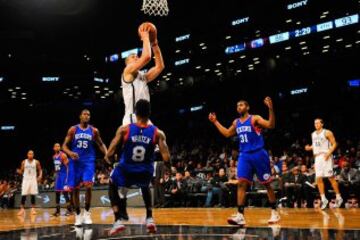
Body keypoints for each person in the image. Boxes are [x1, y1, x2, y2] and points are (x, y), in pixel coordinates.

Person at [209, 97, 280, 226]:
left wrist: (270, 109)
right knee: (241, 183)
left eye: (241, 105)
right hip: (244, 155)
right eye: (237, 105)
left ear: (247, 107)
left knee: (267, 184)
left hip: (259, 154)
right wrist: (215, 122)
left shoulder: (255, 119)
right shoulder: (236, 122)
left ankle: (274, 211)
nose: (239, 107)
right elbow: (226, 133)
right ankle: (240, 215)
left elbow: (271, 125)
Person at [105, 99, 170, 235]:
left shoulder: (125, 130)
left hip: (126, 169)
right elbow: (166, 158)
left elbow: (109, 153)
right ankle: (149, 217)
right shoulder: (157, 133)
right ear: (149, 113)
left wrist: (109, 160)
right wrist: (168, 169)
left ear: (135, 113)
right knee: (145, 185)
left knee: (112, 183)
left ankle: (118, 220)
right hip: (145, 170)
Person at [62, 109, 107, 226]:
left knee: (88, 185)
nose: (87, 116)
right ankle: (78, 215)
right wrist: (70, 153)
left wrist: (107, 154)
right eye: (84, 114)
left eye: (88, 115)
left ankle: (87, 212)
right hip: (75, 162)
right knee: (75, 189)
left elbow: (101, 144)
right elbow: (64, 146)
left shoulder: (94, 130)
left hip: (88, 161)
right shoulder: (73, 129)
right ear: (80, 116)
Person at [122, 25, 165, 125]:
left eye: (137, 56)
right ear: (127, 62)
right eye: (133, 57)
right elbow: (146, 57)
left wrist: (154, 44)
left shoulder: (143, 76)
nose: (136, 57)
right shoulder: (127, 71)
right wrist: (145, 36)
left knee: (160, 138)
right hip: (132, 118)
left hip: (145, 118)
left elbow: (160, 66)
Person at [305, 118, 343, 209]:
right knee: (318, 179)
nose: (316, 124)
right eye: (315, 123)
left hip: (326, 156)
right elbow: (315, 145)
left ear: (322, 124)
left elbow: (334, 144)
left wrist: (328, 153)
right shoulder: (313, 134)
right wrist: (309, 148)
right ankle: (323, 199)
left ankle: (339, 197)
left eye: (318, 123)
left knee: (330, 178)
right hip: (317, 157)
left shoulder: (327, 132)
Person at [17, 150, 42, 216]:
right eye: (29, 154)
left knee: (33, 194)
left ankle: (33, 209)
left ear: (33, 155)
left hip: (33, 179)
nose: (30, 155)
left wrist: (40, 175)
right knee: (24, 194)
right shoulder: (24, 162)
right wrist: (19, 172)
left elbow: (40, 169)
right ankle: (22, 209)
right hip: (26, 179)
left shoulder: (36, 162)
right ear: (27, 155)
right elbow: (21, 171)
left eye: (32, 154)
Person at [52, 143, 73, 216]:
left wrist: (67, 178)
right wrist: (55, 176)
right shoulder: (54, 157)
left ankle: (70, 210)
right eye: (56, 146)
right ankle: (57, 211)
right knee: (57, 193)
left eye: (58, 146)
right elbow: (56, 168)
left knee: (65, 193)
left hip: (64, 175)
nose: (57, 147)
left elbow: (68, 167)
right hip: (58, 176)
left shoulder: (63, 155)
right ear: (54, 148)